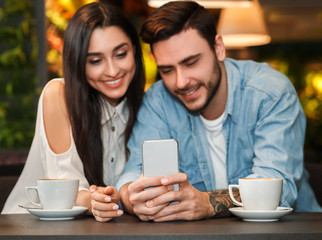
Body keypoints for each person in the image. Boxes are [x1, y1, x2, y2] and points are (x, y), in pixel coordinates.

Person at [116, 1, 322, 222]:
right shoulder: (158, 100)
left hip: (291, 231)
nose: (181, 81)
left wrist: (208, 203)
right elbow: (133, 173)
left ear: (218, 48)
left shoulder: (270, 93)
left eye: (191, 62)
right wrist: (131, 197)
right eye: (167, 70)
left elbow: (276, 188)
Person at [1, 2, 145, 222]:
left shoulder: (147, 104)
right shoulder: (58, 95)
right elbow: (66, 187)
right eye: (95, 61)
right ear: (77, 62)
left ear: (134, 50)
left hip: (106, 230)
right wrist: (96, 200)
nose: (113, 70)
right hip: (31, 228)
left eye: (120, 54)